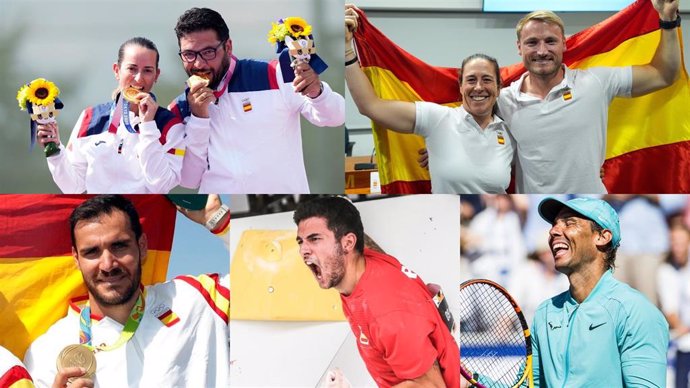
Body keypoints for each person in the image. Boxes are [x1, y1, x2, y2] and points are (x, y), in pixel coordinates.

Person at [23, 195, 230, 387]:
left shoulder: (195, 299)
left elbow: (261, 277)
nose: (107, 264)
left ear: (142, 247)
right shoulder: (45, 353)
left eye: (119, 246)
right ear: (77, 259)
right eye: (92, 252)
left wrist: (218, 219)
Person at [500, 0, 681, 193]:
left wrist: (667, 21)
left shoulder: (596, 82)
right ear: (519, 47)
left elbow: (664, 74)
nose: (542, 51)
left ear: (564, 44)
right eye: (532, 42)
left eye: (550, 41)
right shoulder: (502, 101)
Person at [169, 7, 345, 194]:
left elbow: (336, 116)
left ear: (228, 47)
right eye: (189, 54)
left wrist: (317, 92)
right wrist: (199, 119)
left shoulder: (273, 74)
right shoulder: (180, 108)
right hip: (226, 208)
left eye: (208, 52)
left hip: (283, 205)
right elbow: (189, 180)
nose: (198, 64)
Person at [293, 196, 460, 387]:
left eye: (314, 239)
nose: (303, 250)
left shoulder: (388, 314)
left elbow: (432, 387)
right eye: (301, 241)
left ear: (348, 243)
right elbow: (362, 240)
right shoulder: (367, 262)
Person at [345, 6, 514, 194]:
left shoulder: (511, 132)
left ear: (499, 88)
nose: (479, 87)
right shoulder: (438, 118)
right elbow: (371, 106)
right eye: (471, 80)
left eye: (487, 80)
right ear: (460, 87)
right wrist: (345, 50)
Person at [534, 197, 669, 387]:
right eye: (554, 224)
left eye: (569, 222)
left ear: (602, 237)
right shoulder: (544, 312)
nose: (553, 230)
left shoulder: (636, 311)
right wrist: (479, 381)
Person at [36, 37, 185, 194]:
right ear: (117, 70)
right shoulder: (90, 118)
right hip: (99, 215)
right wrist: (54, 151)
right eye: (132, 69)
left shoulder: (171, 125)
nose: (139, 78)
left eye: (147, 70)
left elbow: (160, 185)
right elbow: (73, 187)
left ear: (156, 75)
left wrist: (148, 127)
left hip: (143, 217)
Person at [656, 222, 690, 388]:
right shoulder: (665, 271)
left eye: (682, 243)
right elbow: (670, 310)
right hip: (681, 339)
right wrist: (683, 327)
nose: (678, 248)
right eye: (674, 243)